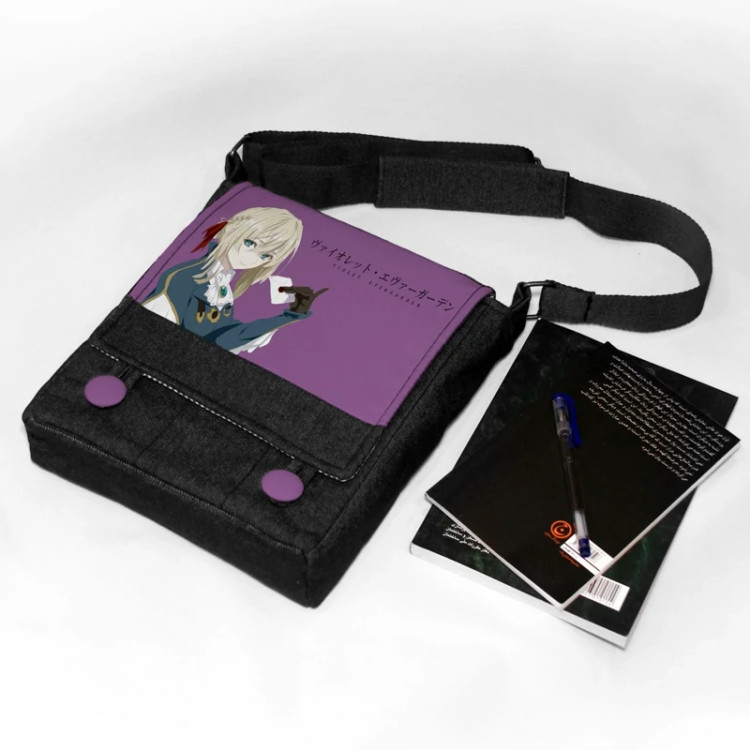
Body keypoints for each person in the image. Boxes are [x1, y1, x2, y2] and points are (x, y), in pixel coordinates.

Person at [142, 206, 327, 354]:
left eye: (265, 256)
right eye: (250, 243)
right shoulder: (184, 278)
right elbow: (148, 337)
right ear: (232, 228)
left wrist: (292, 314)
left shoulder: (223, 287)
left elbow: (224, 338)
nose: (252, 258)